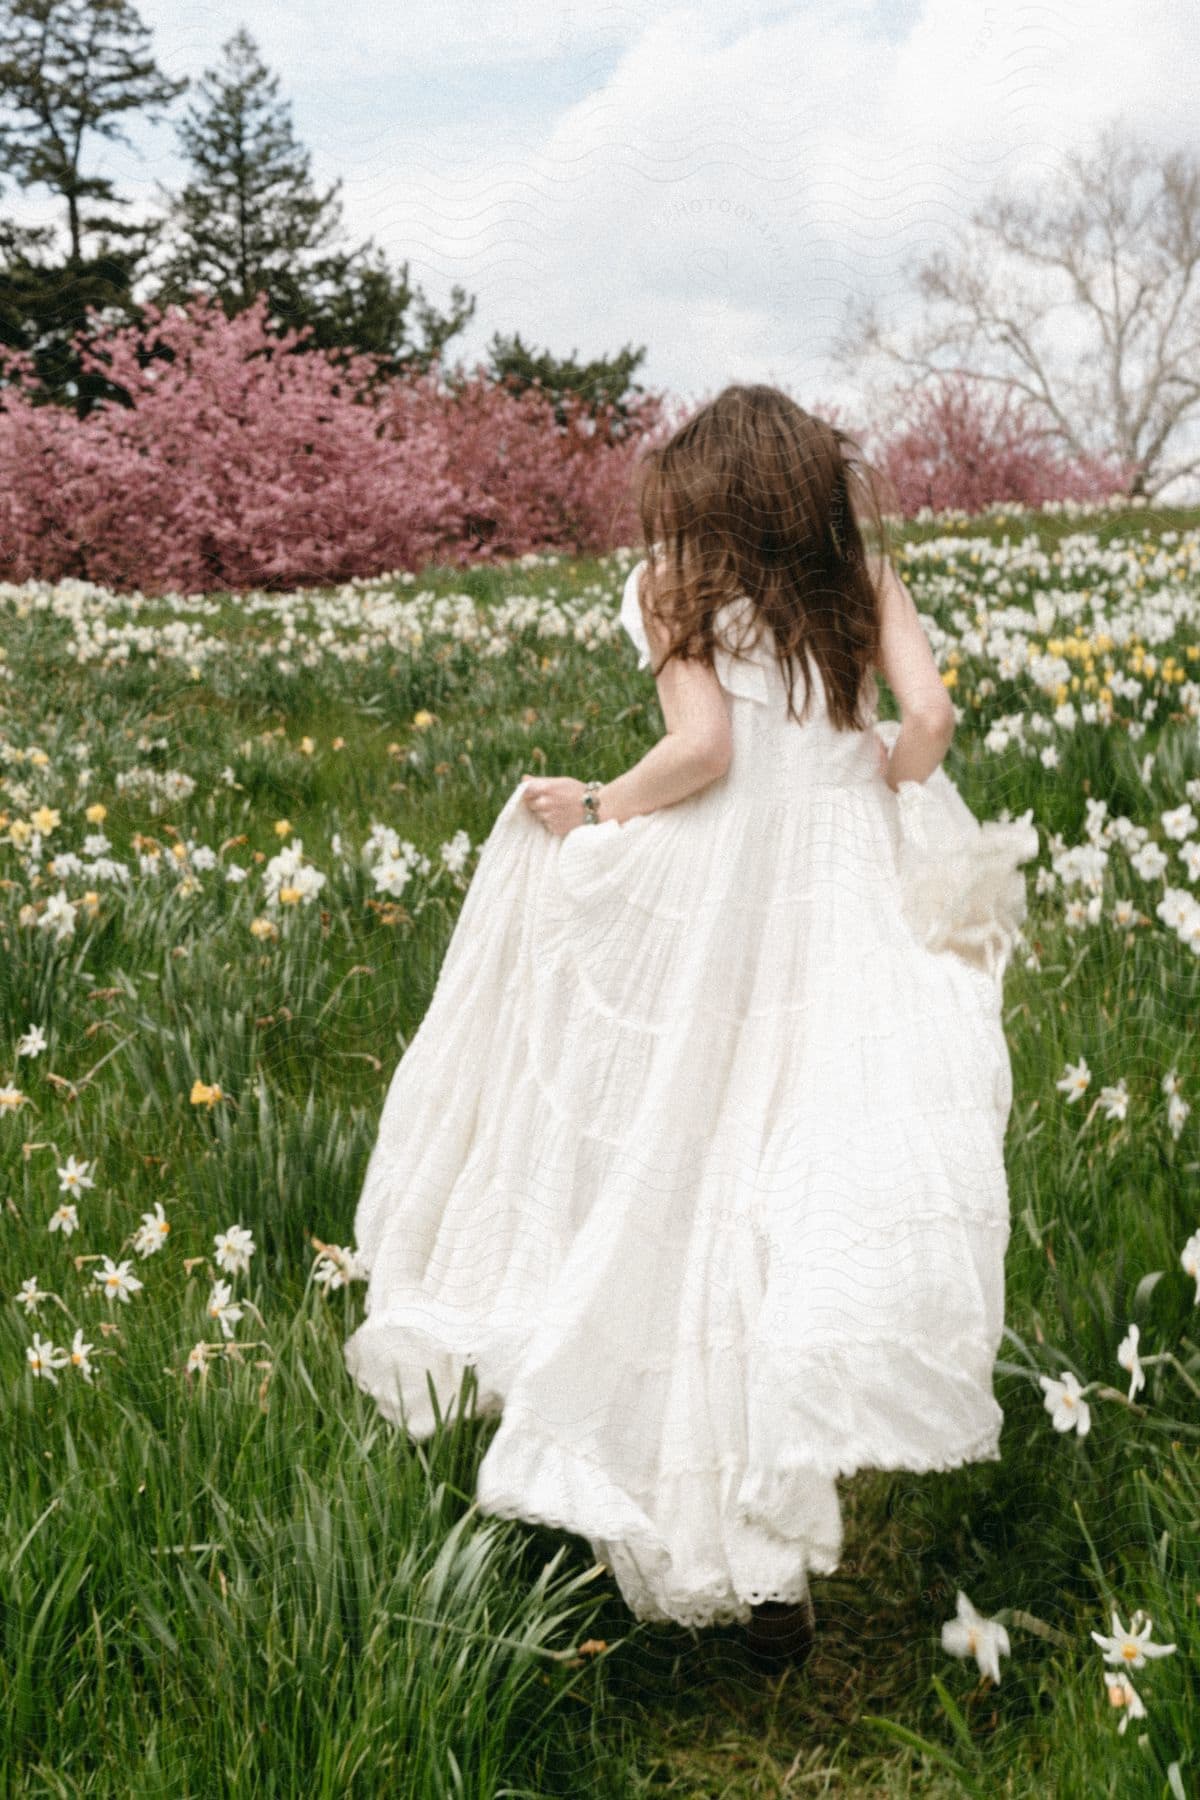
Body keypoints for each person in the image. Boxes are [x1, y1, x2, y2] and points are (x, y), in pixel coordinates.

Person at [343, 384, 1038, 1667]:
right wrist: (861, 787)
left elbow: (705, 750)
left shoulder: (676, 585)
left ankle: (722, 1547)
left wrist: (598, 806)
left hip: (715, 894)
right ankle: (768, 1525)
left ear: (704, 493)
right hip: (838, 894)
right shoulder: (863, 576)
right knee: (801, 1168)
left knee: (682, 1160)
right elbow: (929, 724)